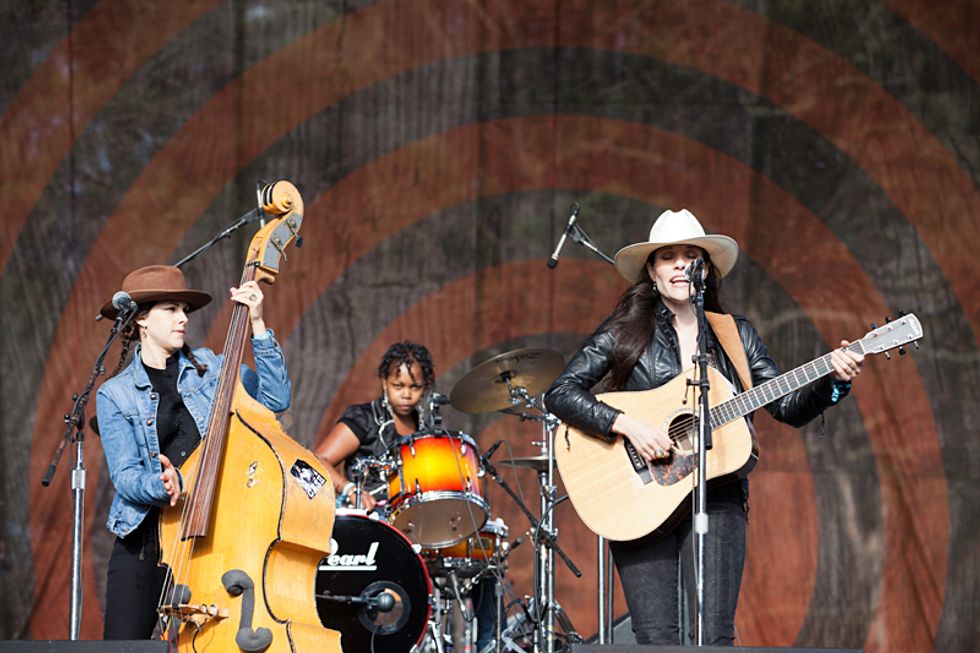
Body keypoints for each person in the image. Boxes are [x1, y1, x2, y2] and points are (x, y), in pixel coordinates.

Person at [544, 209, 863, 646]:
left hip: (718, 494)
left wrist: (833, 381)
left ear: (706, 271)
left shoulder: (736, 336)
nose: (680, 265)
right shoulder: (625, 330)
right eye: (668, 257)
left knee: (713, 638)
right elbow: (560, 393)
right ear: (652, 273)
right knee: (657, 638)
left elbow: (787, 406)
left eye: (690, 256)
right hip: (640, 496)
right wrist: (628, 425)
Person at [96, 264, 292, 640]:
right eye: (170, 310)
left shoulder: (216, 369)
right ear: (140, 320)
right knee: (123, 646)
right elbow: (125, 475)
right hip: (145, 541)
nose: (183, 318)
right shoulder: (115, 394)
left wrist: (258, 325)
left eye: (184, 310)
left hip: (212, 538)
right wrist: (163, 484)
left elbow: (275, 400)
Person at [314, 341, 498, 651]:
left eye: (414, 386)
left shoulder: (426, 430)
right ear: (384, 382)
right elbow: (318, 459)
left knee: (482, 556)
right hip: (371, 526)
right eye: (398, 385)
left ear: (425, 388)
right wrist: (349, 489)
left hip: (414, 526)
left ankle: (487, 645)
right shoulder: (364, 418)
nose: (406, 393)